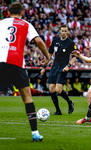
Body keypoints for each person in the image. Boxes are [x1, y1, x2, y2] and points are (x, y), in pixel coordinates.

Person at [0, 2, 50, 142]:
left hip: (0, 61)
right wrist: (47, 57)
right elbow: (39, 41)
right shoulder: (26, 24)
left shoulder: (1, 23)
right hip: (16, 62)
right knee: (27, 98)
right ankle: (35, 133)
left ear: (8, 12)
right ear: (22, 12)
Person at [41, 25, 77, 115]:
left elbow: (74, 57)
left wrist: (68, 66)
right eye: (62, 31)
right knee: (51, 89)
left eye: (66, 31)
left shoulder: (70, 43)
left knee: (58, 90)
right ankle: (58, 110)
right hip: (54, 66)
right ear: (59, 32)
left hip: (63, 67)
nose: (64, 32)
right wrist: (44, 66)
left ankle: (69, 102)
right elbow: (49, 55)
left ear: (67, 32)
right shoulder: (55, 41)